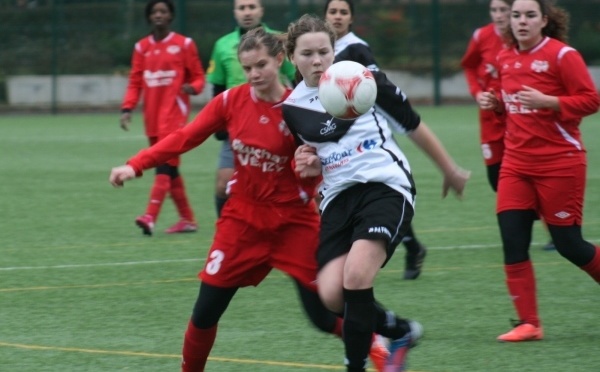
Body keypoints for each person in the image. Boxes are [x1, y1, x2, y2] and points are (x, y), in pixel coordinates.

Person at [110, 28, 408, 372]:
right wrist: (136, 165)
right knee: (205, 311)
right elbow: (184, 137)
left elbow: (325, 166)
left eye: (261, 65)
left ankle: (379, 346)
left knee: (324, 314)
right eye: (247, 67)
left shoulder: (302, 109)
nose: (253, 74)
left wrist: (309, 171)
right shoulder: (229, 102)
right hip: (242, 223)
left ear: (280, 59)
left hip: (294, 223)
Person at [282, 14, 470, 372]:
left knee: (355, 277)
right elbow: (309, 160)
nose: (317, 60)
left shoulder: (361, 79)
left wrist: (449, 169)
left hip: (385, 187)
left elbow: (412, 125)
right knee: (331, 293)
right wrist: (306, 164)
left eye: (324, 51)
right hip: (338, 199)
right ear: (292, 56)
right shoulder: (293, 108)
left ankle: (357, 365)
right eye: (307, 53)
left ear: (335, 50)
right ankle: (398, 331)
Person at [478, 0, 600, 342]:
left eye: (530, 15)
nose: (521, 21)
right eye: (516, 15)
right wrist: (497, 105)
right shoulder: (505, 57)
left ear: (544, 21)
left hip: (560, 163)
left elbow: (591, 100)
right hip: (516, 165)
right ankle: (528, 323)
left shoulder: (563, 56)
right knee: (512, 239)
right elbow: (516, 111)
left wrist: (552, 102)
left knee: (569, 245)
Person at [324, 0, 427, 280]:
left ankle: (406, 247)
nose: (337, 16)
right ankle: (412, 246)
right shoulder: (322, 51)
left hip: (365, 131)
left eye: (343, 12)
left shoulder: (356, 48)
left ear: (351, 19)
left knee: (377, 193)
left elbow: (375, 86)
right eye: (332, 11)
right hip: (336, 134)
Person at [461, 0, 556, 251]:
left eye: (504, 10)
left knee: (530, 174)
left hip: (520, 119)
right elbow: (469, 66)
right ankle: (532, 216)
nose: (499, 15)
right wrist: (477, 93)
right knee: (497, 180)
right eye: (495, 10)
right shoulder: (481, 36)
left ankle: (554, 231)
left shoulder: (525, 40)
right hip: (491, 119)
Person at [119, 0, 205, 236]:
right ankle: (187, 219)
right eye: (155, 11)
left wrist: (193, 88)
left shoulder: (184, 44)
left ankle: (150, 216)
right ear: (149, 17)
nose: (159, 15)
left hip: (174, 116)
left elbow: (199, 77)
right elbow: (135, 81)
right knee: (171, 169)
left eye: (163, 11)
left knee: (164, 166)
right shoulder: (141, 48)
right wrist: (127, 108)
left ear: (170, 16)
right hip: (152, 118)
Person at [206, 0, 296, 218]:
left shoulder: (276, 40)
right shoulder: (222, 45)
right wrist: (219, 125)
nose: (247, 12)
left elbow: (295, 78)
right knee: (223, 185)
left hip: (275, 123)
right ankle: (228, 226)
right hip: (236, 123)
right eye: (242, 8)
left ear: (261, 10)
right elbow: (218, 84)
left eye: (252, 7)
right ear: (235, 12)